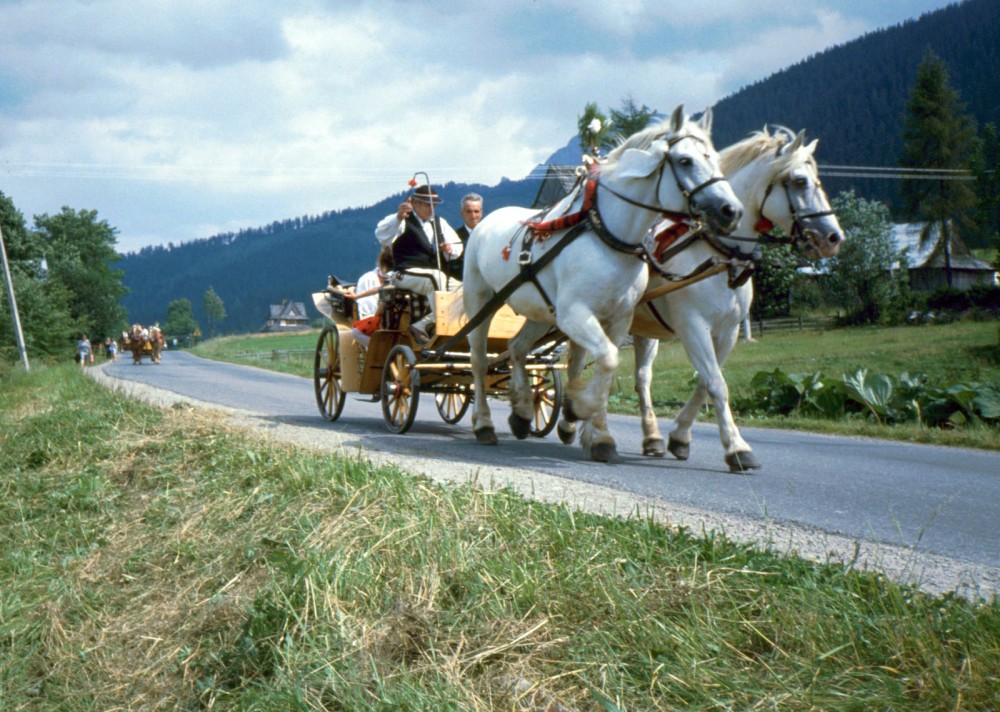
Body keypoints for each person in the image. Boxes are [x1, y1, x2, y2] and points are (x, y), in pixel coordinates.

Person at [374, 183, 463, 345]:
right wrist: (399, 216)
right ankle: (438, 327)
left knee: (463, 289)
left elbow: (457, 248)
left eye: (433, 205)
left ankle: (423, 325)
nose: (431, 209)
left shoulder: (439, 222)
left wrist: (448, 249)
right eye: (427, 205)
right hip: (403, 273)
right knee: (436, 278)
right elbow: (382, 234)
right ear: (415, 204)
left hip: (430, 274)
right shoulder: (403, 221)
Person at [344, 247, 394, 348]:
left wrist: (357, 295)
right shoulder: (399, 278)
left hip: (386, 320)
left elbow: (382, 299)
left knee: (355, 333)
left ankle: (377, 348)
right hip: (396, 319)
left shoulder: (370, 279)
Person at [445, 192, 483, 281]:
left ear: (481, 213)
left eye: (476, 211)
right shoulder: (453, 237)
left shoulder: (490, 235)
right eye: (469, 211)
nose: (473, 216)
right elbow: (452, 267)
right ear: (462, 213)